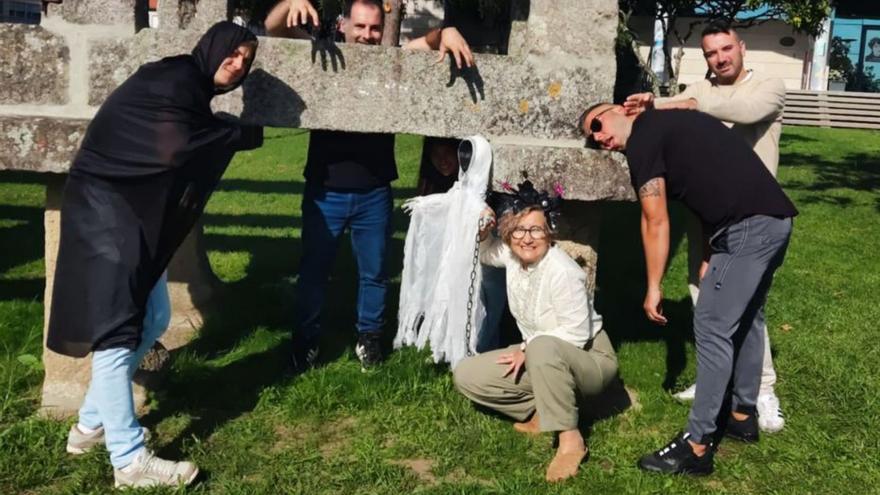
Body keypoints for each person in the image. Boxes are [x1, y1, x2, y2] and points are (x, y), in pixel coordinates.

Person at [48, 22, 262, 488]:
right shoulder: (176, 80)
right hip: (106, 210)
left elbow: (180, 140)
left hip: (126, 211)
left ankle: (89, 426)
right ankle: (128, 461)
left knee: (152, 319)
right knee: (117, 330)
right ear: (211, 49)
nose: (238, 64)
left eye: (247, 59)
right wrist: (235, 135)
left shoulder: (188, 88)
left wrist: (226, 131)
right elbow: (173, 149)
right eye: (233, 53)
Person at [580, 102, 797, 475]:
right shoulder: (668, 127)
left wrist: (653, 286)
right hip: (769, 222)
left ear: (620, 109)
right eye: (593, 140)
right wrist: (714, 247)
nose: (600, 138)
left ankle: (696, 447)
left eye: (597, 124)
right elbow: (708, 180)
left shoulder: (643, 136)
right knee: (747, 318)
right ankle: (742, 415)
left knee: (712, 326)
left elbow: (655, 220)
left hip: (748, 228)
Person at [264, 0, 475, 372]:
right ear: (344, 25)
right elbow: (275, 29)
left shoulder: (389, 61)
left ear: (382, 31)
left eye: (374, 29)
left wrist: (449, 31)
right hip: (325, 188)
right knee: (314, 269)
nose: (366, 36)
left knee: (374, 272)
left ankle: (369, 337)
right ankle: (306, 339)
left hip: (374, 190)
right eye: (360, 27)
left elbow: (429, 40)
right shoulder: (322, 54)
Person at [624, 21, 787, 433]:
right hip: (707, 217)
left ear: (742, 47)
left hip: (754, 216)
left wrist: (677, 105)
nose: (720, 58)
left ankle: (763, 391)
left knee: (749, 309)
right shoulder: (699, 90)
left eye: (726, 49)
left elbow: (743, 112)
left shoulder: (767, 86)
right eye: (712, 53)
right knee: (705, 299)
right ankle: (714, 379)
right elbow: (676, 106)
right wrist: (657, 104)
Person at [453, 181, 616, 482]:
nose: (527, 238)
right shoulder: (514, 257)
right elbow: (487, 253)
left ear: (549, 233)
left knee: (542, 346)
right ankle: (544, 409)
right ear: (510, 233)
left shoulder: (563, 271)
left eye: (536, 230)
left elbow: (578, 334)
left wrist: (528, 347)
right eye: (519, 230)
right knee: (466, 375)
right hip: (543, 354)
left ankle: (571, 441)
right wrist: (483, 228)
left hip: (590, 358)